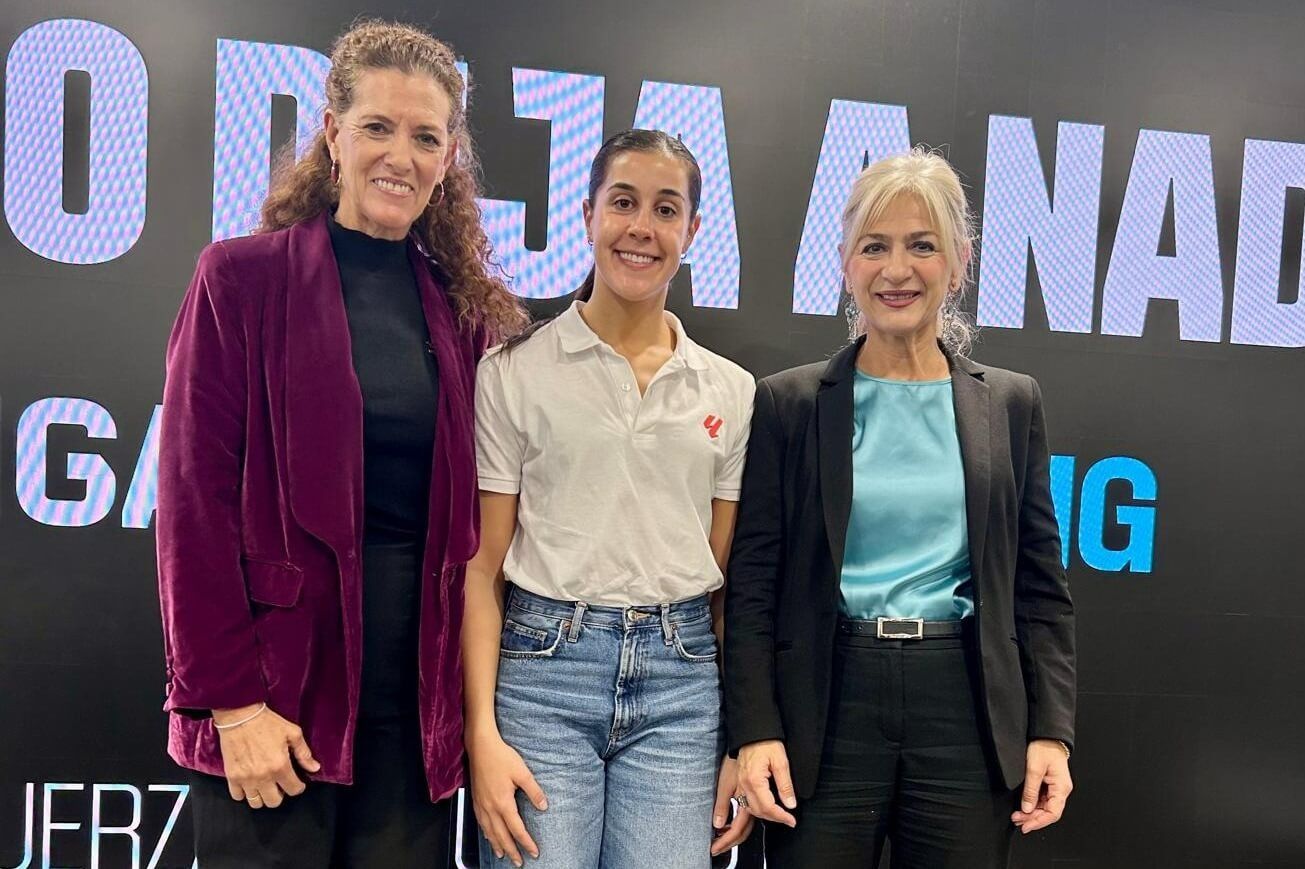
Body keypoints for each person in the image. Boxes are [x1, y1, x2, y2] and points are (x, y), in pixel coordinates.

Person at [155, 20, 525, 869]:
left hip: (412, 715)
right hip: (278, 706)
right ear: (332, 135)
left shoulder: (462, 313)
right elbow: (189, 503)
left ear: (447, 159)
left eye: (426, 136)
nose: (401, 154)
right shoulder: (240, 279)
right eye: (377, 127)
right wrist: (229, 703)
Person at [724, 148, 1076, 868]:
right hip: (824, 706)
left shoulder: (1010, 402)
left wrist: (1051, 731)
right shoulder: (787, 403)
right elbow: (753, 584)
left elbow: (1040, 588)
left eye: (922, 245)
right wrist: (753, 728)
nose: (896, 270)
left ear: (958, 263)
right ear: (846, 262)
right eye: (874, 246)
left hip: (965, 708)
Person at [463, 129, 757, 869]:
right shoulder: (513, 371)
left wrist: (732, 741)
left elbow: (722, 585)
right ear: (588, 211)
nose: (640, 228)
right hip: (541, 676)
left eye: (666, 209)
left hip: (681, 686)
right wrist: (481, 734)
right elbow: (480, 569)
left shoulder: (730, 389)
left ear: (691, 231)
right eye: (622, 202)